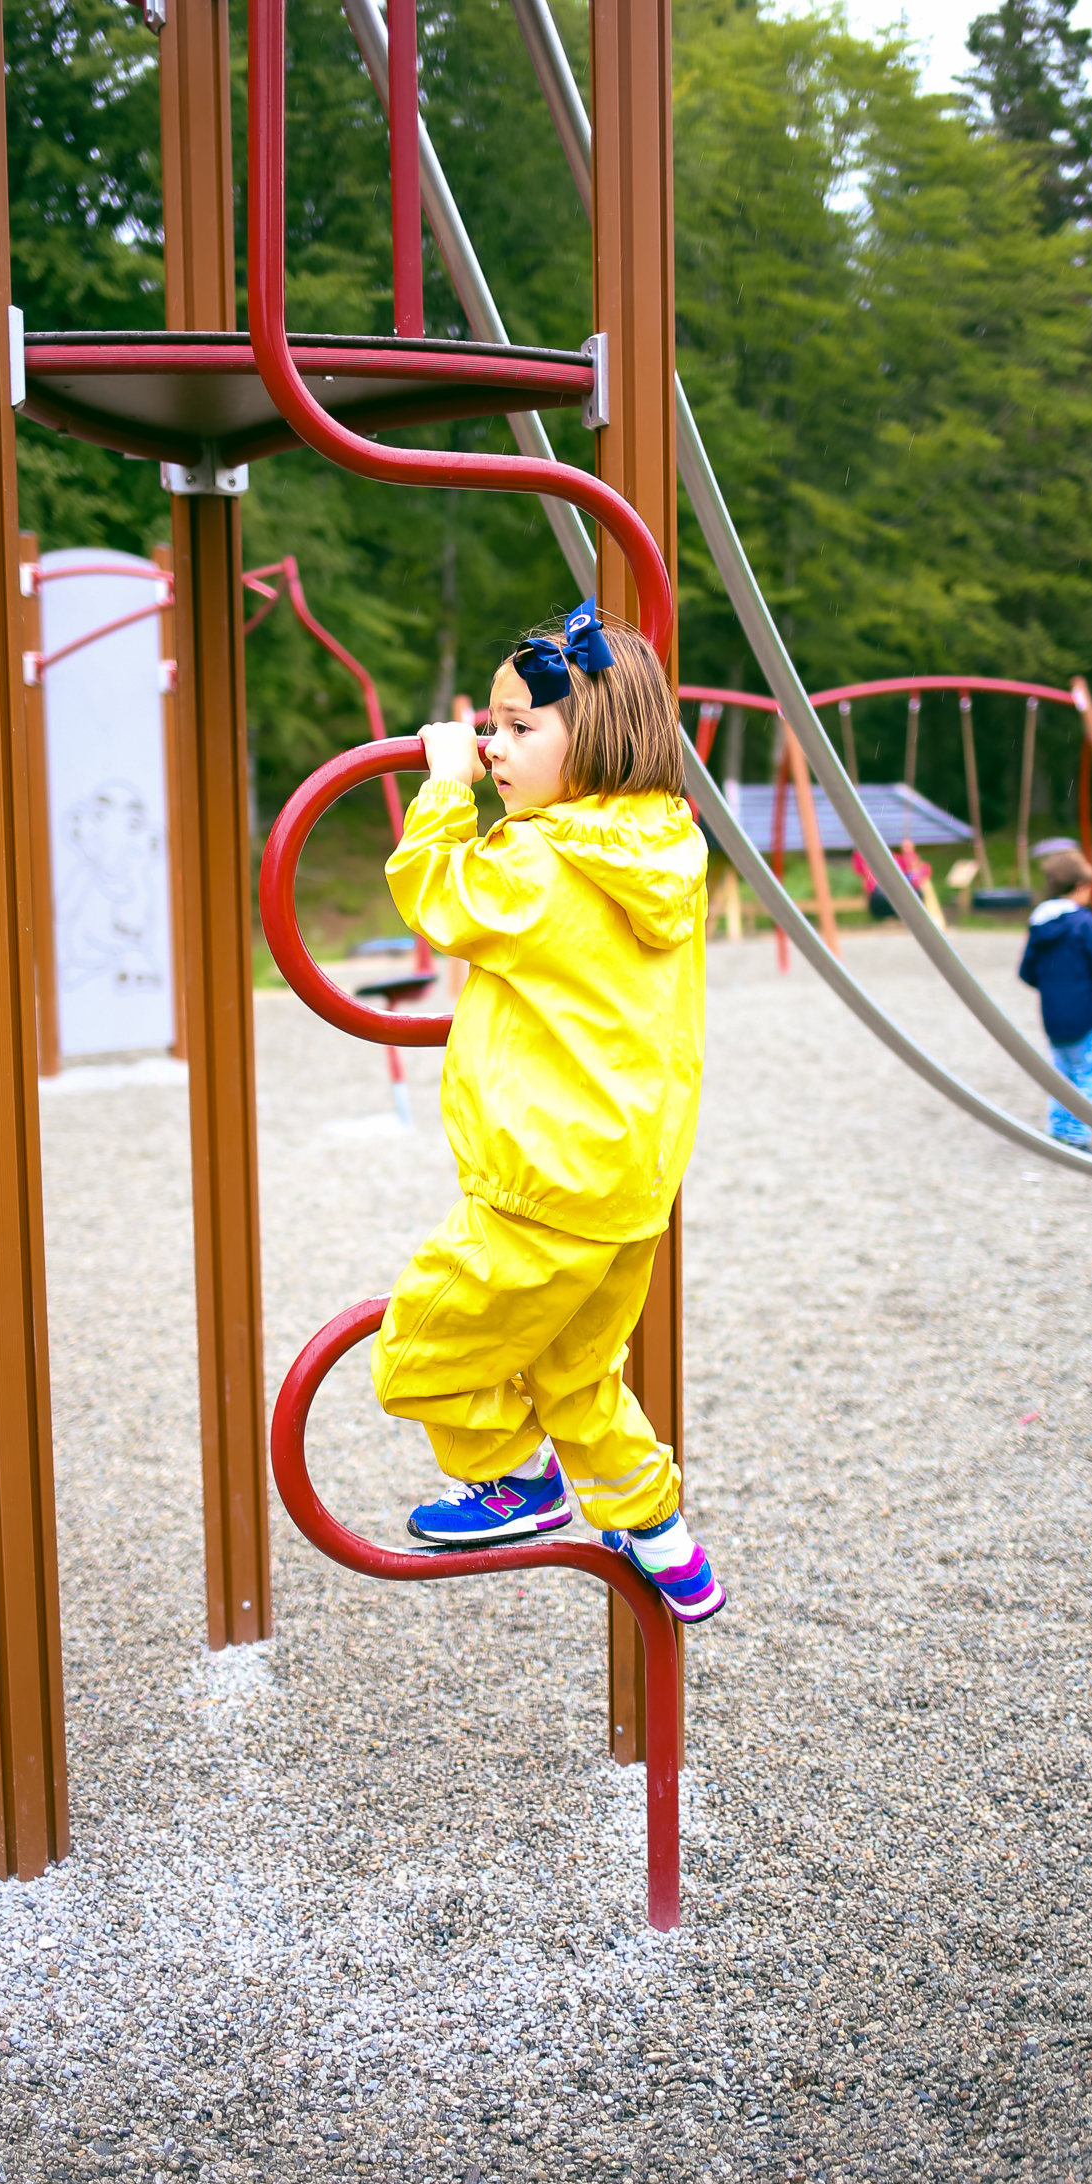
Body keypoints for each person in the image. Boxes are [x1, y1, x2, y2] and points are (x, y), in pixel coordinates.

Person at [368, 597, 726, 1624]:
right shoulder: (666, 842)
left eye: (521, 728)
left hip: (542, 1186)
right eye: (490, 728)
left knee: (421, 1357)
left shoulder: (538, 861)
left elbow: (439, 897)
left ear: (601, 734)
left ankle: (513, 1482)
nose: (494, 749)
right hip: (629, 1186)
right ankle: (661, 1536)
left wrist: (442, 791)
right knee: (577, 1376)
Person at [1018, 849, 1092, 1150]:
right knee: (1086, 1075)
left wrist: (1051, 986)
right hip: (1083, 1014)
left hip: (1052, 1016)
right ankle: (1079, 1137)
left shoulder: (1039, 924)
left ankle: (1058, 1130)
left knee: (1061, 1074)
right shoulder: (1086, 923)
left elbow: (1026, 972)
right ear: (1081, 887)